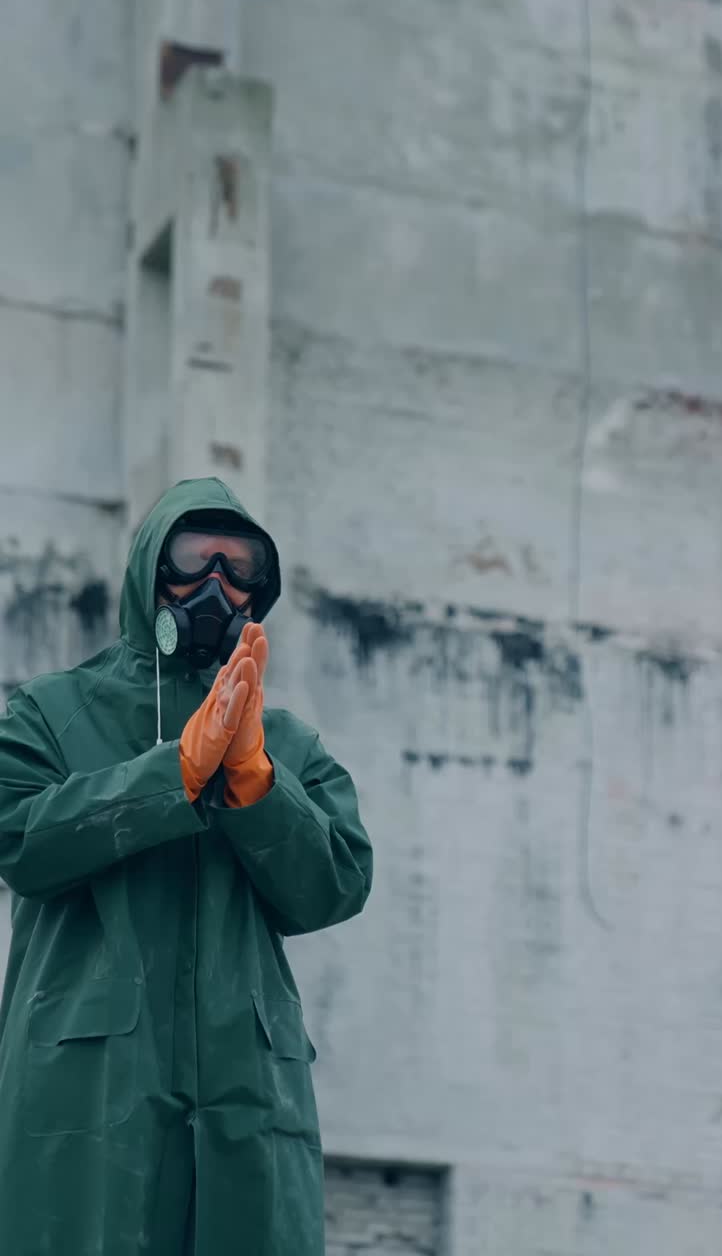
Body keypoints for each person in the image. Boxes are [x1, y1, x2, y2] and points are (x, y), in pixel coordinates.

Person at [0, 477, 373, 1255]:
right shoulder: (49, 712)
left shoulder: (286, 744)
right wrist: (170, 775)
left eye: (241, 571)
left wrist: (256, 783)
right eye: (195, 560)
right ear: (149, 570)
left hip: (248, 1091)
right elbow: (18, 842)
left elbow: (336, 884)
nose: (217, 588)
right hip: (93, 1085)